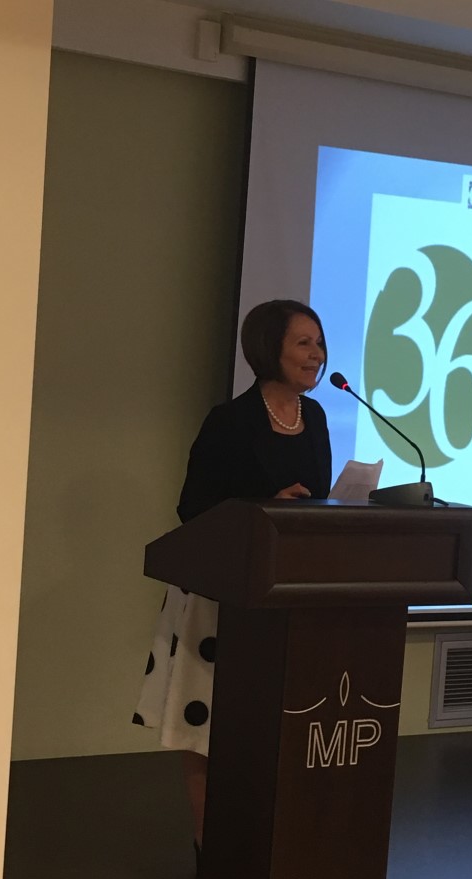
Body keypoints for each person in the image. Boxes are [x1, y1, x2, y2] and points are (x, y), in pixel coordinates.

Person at [134, 299, 331, 850]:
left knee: (268, 723)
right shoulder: (229, 421)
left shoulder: (315, 417)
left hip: (283, 594)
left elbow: (315, 497)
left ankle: (266, 842)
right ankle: (210, 845)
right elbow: (193, 506)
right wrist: (262, 506)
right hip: (219, 595)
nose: (316, 354)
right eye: (303, 343)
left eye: (319, 343)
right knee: (206, 726)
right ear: (270, 348)